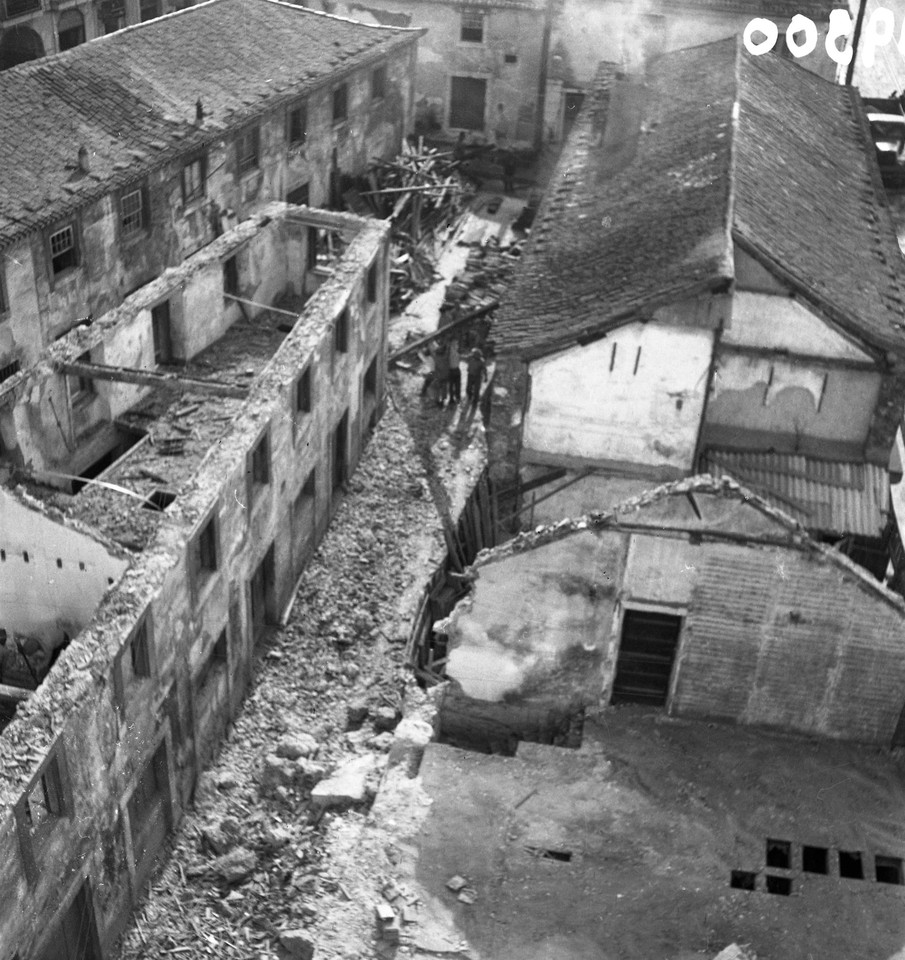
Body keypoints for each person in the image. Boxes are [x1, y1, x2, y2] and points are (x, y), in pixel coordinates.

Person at [433, 339, 451, 406]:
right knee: (444, 389)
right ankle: (443, 401)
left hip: (438, 375)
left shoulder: (436, 357)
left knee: (437, 388)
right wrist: (448, 344)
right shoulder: (445, 357)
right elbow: (447, 352)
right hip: (445, 375)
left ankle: (436, 400)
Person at [448, 337, 462, 405]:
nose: (458, 345)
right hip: (453, 370)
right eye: (456, 344)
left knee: (455, 385)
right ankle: (454, 398)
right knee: (453, 385)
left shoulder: (455, 352)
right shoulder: (451, 351)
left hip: (455, 370)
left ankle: (455, 398)